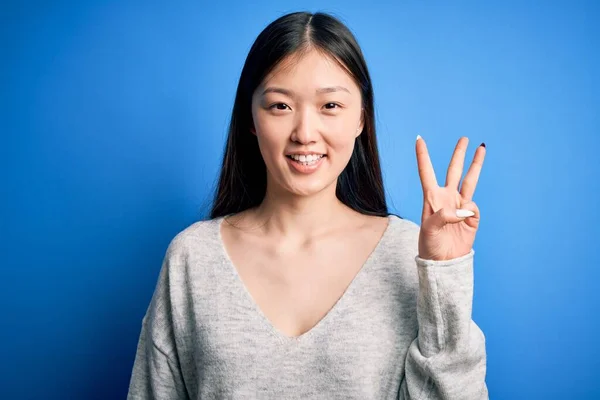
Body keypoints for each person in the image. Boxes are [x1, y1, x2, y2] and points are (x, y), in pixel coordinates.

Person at [127, 11, 488, 400]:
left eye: (330, 106)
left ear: (360, 119)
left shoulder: (407, 253)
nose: (304, 133)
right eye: (280, 106)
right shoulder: (192, 258)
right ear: (251, 118)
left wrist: (443, 276)